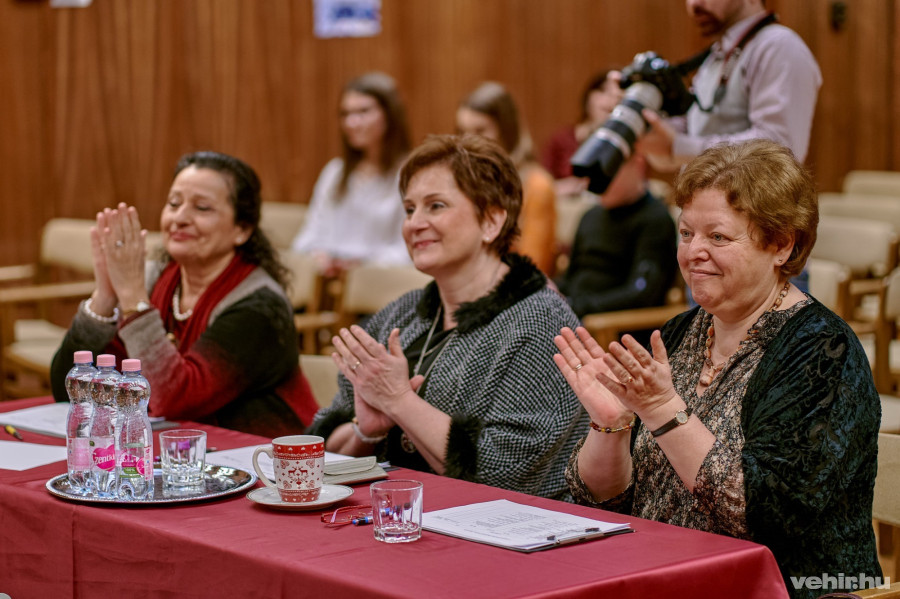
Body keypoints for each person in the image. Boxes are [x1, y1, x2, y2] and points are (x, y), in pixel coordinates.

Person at [554, 140, 881, 598]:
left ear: (781, 244)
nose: (693, 252)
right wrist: (612, 425)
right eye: (687, 233)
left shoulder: (823, 352)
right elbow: (602, 500)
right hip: (662, 578)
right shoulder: (680, 333)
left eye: (718, 237)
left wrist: (663, 410)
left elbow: (764, 515)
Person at [308, 134, 590, 500]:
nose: (414, 223)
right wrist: (367, 431)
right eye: (409, 210)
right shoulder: (399, 315)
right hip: (397, 518)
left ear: (491, 221)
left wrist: (399, 401)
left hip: (518, 530)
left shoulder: (542, 324)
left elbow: (505, 475)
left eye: (435, 206)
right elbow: (319, 450)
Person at [51, 151, 319, 438]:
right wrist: (104, 299)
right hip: (175, 450)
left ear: (242, 229)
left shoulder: (260, 307)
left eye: (202, 208)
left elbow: (175, 399)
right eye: (174, 203)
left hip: (261, 456)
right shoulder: (154, 279)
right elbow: (69, 390)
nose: (179, 218)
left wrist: (132, 299)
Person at [637, 0, 822, 169]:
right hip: (706, 194)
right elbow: (692, 128)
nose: (694, 4)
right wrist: (640, 119)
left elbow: (780, 151)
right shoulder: (717, 54)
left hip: (746, 197)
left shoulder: (779, 46)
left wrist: (680, 146)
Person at [555, 107, 677, 322]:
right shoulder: (590, 216)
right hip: (574, 321)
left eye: (603, 169)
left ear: (637, 164)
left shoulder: (655, 220)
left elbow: (641, 294)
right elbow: (571, 278)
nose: (593, 181)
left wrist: (576, 307)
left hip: (614, 331)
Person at [291, 71, 412, 276]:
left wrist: (361, 265)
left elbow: (407, 250)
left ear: (390, 115)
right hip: (328, 280)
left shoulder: (409, 175)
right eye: (345, 114)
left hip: (380, 282)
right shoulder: (335, 172)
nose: (351, 123)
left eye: (363, 111)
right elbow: (309, 235)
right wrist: (318, 255)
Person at [456, 82, 558, 275]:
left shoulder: (537, 186)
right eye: (462, 132)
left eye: (480, 130)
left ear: (507, 132)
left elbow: (532, 269)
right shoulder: (461, 182)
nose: (468, 142)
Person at [540, 70, 624, 197]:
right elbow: (540, 185)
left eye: (618, 97)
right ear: (588, 95)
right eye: (604, 91)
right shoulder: (562, 139)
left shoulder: (624, 145)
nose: (610, 101)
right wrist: (562, 188)